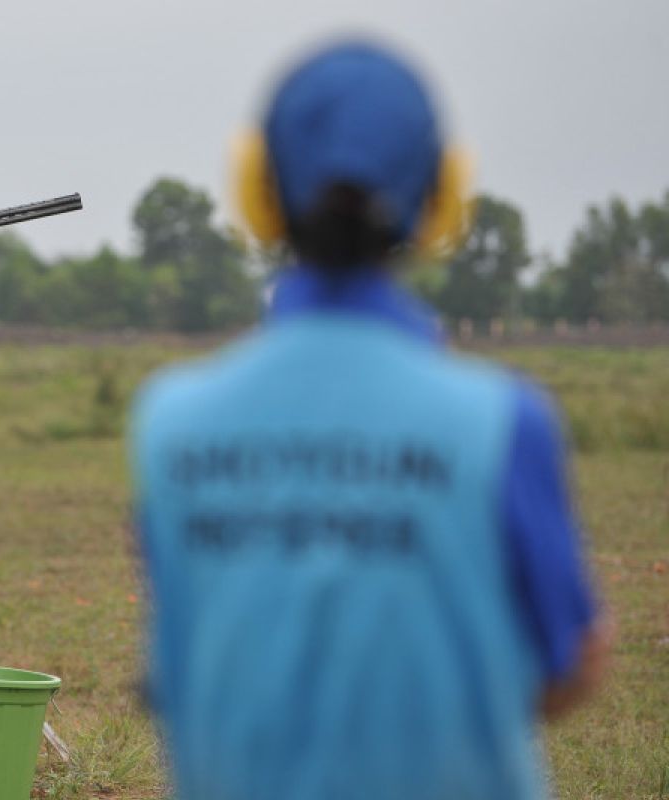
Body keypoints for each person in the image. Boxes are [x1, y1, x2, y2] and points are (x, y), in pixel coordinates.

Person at [129, 41, 610, 800]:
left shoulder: (168, 423)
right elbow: (569, 665)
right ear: (443, 193)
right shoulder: (504, 419)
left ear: (258, 191)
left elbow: (182, 657)